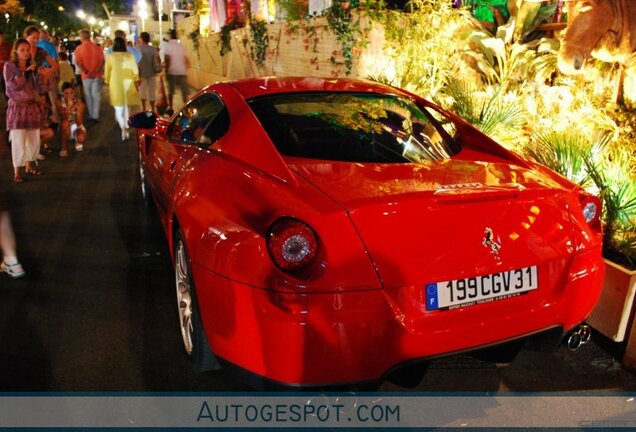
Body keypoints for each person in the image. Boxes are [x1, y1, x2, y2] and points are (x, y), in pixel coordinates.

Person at [3, 39, 48, 182]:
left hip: (32, 106)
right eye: (22, 50)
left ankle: (29, 164)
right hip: (18, 107)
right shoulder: (9, 66)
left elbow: (40, 89)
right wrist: (23, 72)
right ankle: (17, 169)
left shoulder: (32, 66)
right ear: (15, 51)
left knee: (33, 138)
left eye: (28, 50)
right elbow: (13, 86)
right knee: (18, 139)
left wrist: (42, 76)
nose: (26, 53)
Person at [104, 36, 140, 140]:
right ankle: (126, 126)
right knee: (127, 108)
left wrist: (107, 80)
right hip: (128, 84)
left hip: (116, 84)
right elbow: (135, 71)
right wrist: (136, 80)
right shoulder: (130, 56)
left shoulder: (111, 57)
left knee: (118, 109)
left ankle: (123, 128)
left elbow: (107, 72)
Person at [73, 29, 105, 124]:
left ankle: (91, 115)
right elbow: (102, 61)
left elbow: (78, 62)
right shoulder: (97, 47)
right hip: (97, 75)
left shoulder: (78, 49)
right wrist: (96, 71)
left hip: (86, 75)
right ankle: (95, 116)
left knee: (88, 95)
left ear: (82, 37)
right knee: (96, 95)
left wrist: (86, 71)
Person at [57, 81, 87, 156]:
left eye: (71, 92)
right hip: (64, 126)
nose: (69, 95)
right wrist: (70, 107)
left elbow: (79, 122)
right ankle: (64, 147)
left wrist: (78, 110)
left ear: (74, 92)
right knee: (65, 123)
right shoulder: (59, 101)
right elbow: (63, 116)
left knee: (81, 137)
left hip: (76, 125)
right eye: (66, 93)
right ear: (62, 93)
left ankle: (78, 141)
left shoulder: (80, 102)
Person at [162, 29, 189, 109]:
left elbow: (167, 59)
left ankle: (170, 107)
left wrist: (166, 70)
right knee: (184, 91)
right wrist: (185, 68)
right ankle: (186, 107)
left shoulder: (168, 46)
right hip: (182, 71)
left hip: (172, 71)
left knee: (171, 91)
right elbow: (185, 59)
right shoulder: (181, 46)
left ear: (170, 36)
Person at [137, 32, 161, 111]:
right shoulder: (153, 49)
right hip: (152, 73)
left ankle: (144, 109)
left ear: (142, 39)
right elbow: (158, 59)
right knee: (152, 92)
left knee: (142, 92)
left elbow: (136, 62)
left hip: (142, 74)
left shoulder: (138, 49)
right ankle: (153, 109)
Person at [0, 32, 12, 98]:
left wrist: (7, 61)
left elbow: (12, 55)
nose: (1, 38)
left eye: (2, 37)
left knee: (5, 84)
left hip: (5, 68)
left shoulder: (7, 46)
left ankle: (8, 99)